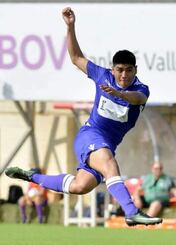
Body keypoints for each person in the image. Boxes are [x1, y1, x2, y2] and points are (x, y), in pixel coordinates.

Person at [5, 7, 162, 226]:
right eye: (120, 70)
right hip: (90, 136)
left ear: (135, 70)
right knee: (110, 165)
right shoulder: (102, 75)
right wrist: (70, 27)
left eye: (129, 70)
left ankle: (31, 176)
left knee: (80, 186)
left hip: (106, 144)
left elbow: (137, 98)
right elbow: (76, 57)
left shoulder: (142, 89)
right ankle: (131, 211)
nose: (124, 74)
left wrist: (120, 94)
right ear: (112, 69)